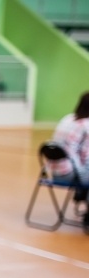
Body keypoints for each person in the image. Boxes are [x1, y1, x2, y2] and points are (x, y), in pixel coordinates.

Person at [48, 91, 89, 230]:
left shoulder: (68, 118)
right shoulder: (86, 125)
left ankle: (81, 195)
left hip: (55, 172)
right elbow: (86, 158)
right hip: (70, 174)